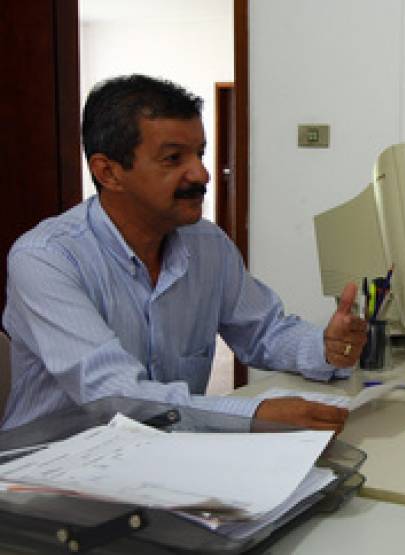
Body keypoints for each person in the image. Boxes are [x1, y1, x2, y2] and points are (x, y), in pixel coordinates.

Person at [2, 74, 367, 433]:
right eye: (174, 158)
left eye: (200, 153)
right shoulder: (46, 258)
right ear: (109, 172)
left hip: (166, 456)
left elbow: (264, 332)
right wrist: (250, 414)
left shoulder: (206, 243)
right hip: (53, 470)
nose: (202, 174)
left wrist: (325, 347)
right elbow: (114, 396)